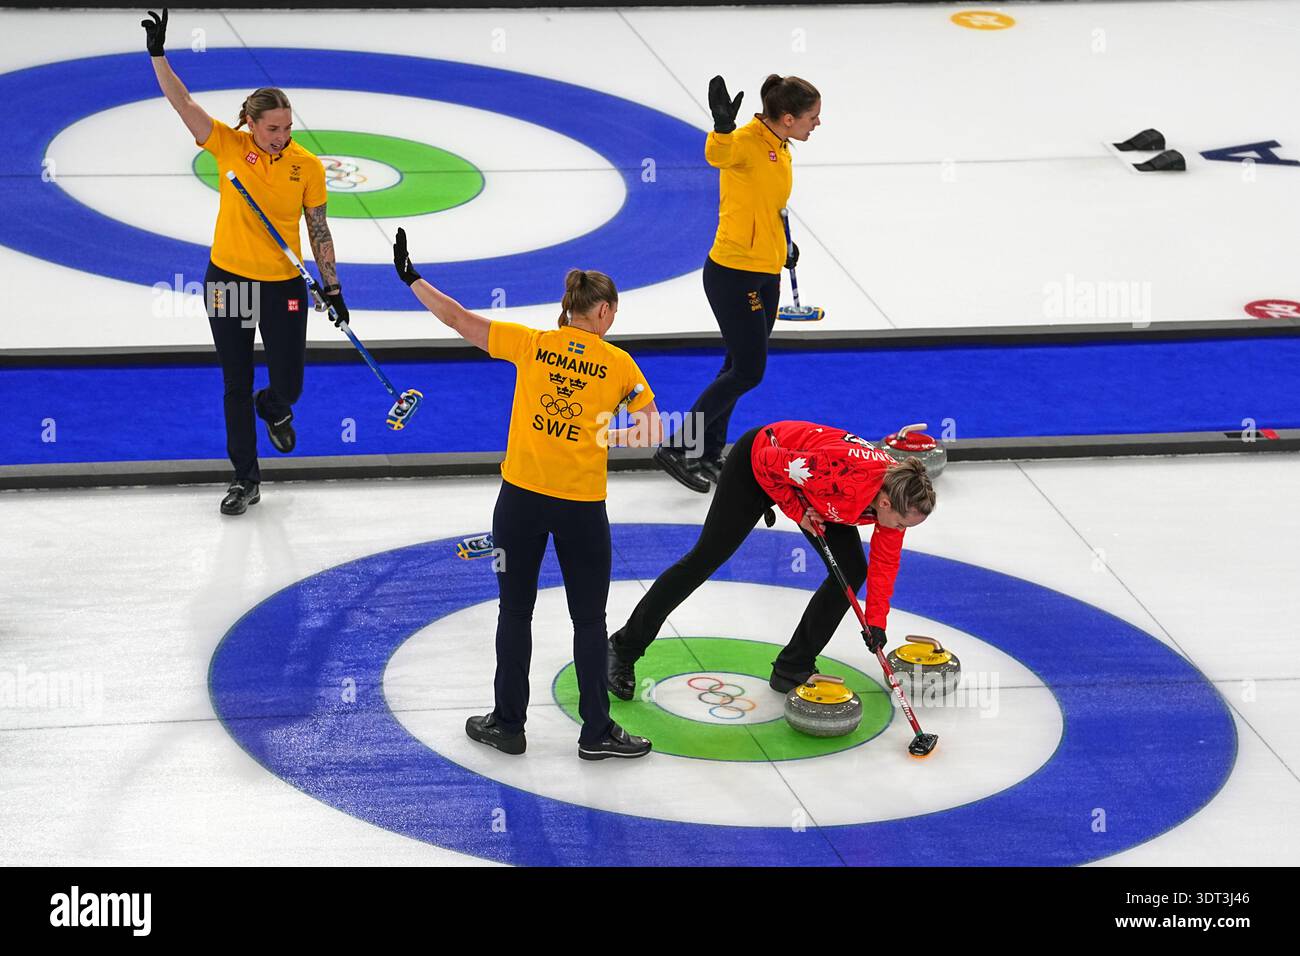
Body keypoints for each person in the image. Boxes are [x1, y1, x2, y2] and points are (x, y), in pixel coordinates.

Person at [392, 228, 663, 760]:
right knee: (589, 621)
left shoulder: (532, 344)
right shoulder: (619, 365)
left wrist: (413, 278)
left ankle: (508, 725)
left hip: (518, 504)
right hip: (581, 508)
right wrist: (609, 435)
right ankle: (596, 734)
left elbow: (457, 319)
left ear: (569, 307)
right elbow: (652, 432)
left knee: (514, 612)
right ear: (603, 311)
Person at [142, 9, 349, 515]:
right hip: (228, 280)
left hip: (283, 285)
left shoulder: (307, 166)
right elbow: (181, 102)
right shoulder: (228, 146)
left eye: (287, 127)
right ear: (250, 123)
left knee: (289, 384)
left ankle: (274, 409)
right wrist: (158, 54)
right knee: (235, 381)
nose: (282, 135)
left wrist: (334, 289)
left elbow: (318, 228)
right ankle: (244, 479)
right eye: (273, 127)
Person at [610, 421, 935, 698]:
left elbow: (885, 564)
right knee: (704, 559)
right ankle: (622, 649)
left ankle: (793, 667)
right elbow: (767, 461)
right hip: (758, 464)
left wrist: (876, 622)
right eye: (903, 523)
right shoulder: (843, 475)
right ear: (885, 503)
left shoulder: (895, 500)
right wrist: (797, 512)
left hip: (812, 488)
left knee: (850, 571)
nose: (901, 530)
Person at [654, 74, 821, 494]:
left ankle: (709, 451)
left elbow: (768, 205)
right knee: (749, 370)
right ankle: (676, 447)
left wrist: (784, 244)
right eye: (812, 117)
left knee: (735, 365)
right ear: (787, 117)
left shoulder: (782, 146)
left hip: (765, 270)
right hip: (733, 273)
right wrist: (723, 127)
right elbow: (718, 155)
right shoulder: (746, 140)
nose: (816, 124)